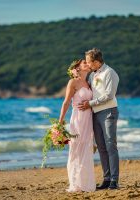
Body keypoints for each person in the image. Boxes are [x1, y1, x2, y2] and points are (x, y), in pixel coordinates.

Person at [78, 48, 120, 190]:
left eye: (89, 62)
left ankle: (114, 180)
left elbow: (109, 95)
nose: (88, 64)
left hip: (108, 112)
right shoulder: (91, 75)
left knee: (110, 145)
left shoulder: (110, 73)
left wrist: (90, 104)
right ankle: (106, 179)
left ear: (96, 62)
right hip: (95, 114)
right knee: (101, 147)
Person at [59, 59, 96, 192]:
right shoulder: (73, 82)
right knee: (76, 149)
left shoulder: (89, 82)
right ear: (78, 68)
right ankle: (75, 183)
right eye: (84, 63)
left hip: (89, 119)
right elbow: (66, 102)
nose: (87, 64)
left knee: (86, 148)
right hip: (78, 119)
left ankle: (86, 183)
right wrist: (60, 122)